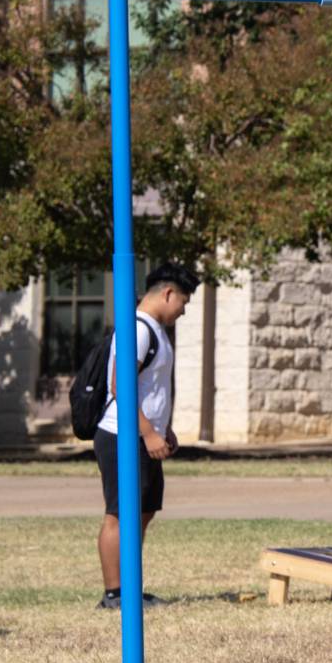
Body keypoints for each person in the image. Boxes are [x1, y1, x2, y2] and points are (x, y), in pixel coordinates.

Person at [95, 261, 199, 609]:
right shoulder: (140, 330)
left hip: (144, 436)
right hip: (122, 436)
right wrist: (147, 433)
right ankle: (115, 595)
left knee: (142, 511)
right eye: (183, 302)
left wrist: (162, 429)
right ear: (167, 293)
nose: (183, 311)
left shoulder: (154, 330)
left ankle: (131, 590)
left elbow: (150, 387)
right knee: (120, 514)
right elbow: (119, 385)